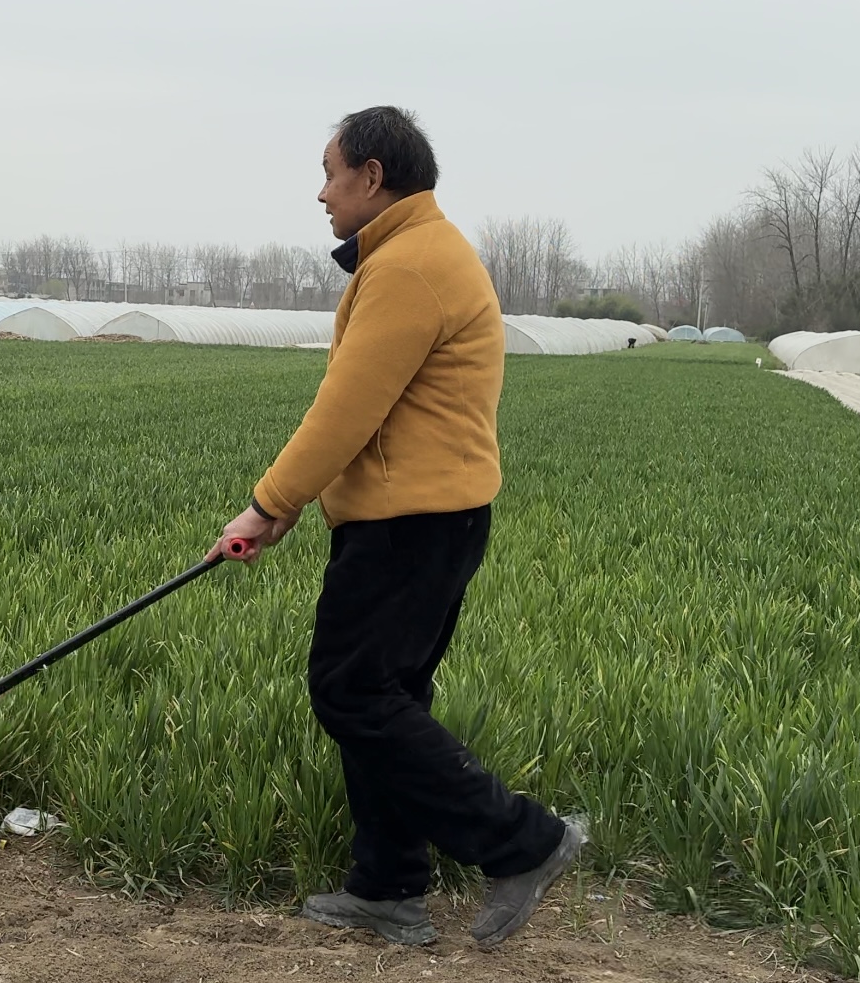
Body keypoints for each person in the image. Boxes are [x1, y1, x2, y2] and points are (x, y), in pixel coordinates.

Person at [210, 106, 583, 947]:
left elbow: (346, 408)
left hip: (407, 526)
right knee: (384, 695)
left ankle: (525, 841)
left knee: (351, 691)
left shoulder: (409, 265)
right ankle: (387, 885)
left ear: (372, 176)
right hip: (429, 519)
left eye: (331, 172)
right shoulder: (419, 251)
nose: (321, 192)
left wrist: (271, 504)